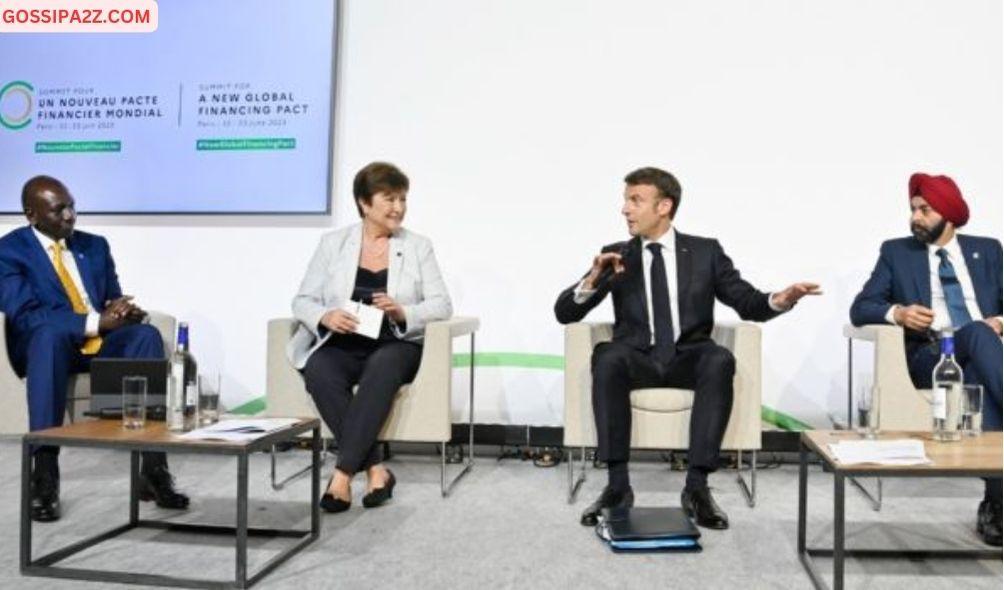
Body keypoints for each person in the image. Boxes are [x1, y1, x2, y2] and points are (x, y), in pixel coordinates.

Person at [554, 167, 820, 529]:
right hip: (638, 357)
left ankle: (697, 487)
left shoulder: (705, 252)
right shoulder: (616, 255)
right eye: (625, 200)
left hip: (687, 356)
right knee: (608, 355)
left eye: (635, 200)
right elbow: (565, 312)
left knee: (719, 359)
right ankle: (617, 486)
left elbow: (746, 302)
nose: (625, 209)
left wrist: (781, 298)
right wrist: (593, 278)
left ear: (664, 206)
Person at [0, 175, 189, 523]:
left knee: (145, 337)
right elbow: (25, 316)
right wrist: (96, 322)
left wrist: (124, 312)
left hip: (98, 344)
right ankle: (44, 472)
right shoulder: (9, 251)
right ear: (32, 214)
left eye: (72, 206)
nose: (70, 216)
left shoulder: (94, 245)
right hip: (50, 347)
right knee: (47, 336)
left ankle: (152, 467)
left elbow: (109, 298)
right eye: (60, 210)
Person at [288, 162, 452, 513]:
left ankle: (342, 476)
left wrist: (402, 311)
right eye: (389, 198)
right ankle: (376, 469)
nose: (398, 208)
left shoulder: (418, 246)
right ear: (364, 203)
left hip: (395, 343)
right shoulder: (333, 244)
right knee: (319, 369)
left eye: (403, 199)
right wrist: (325, 316)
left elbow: (442, 304)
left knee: (382, 366)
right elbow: (302, 300)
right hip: (344, 341)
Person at [850, 172, 1002, 546]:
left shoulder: (989, 250)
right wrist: (898, 313)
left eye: (924, 210)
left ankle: (997, 504)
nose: (915, 217)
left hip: (984, 358)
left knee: (982, 368)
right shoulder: (896, 252)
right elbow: (861, 307)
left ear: (948, 214)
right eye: (914, 209)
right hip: (932, 357)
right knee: (978, 335)